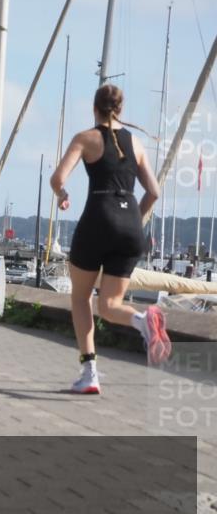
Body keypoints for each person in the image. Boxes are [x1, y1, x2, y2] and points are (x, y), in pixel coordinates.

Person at [50, 84, 170, 395]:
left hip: (98, 218)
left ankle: (90, 372)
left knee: (80, 298)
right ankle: (143, 320)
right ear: (120, 109)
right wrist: (132, 220)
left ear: (95, 107)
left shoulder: (85, 138)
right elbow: (154, 192)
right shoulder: (137, 144)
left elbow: (58, 178)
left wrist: (63, 195)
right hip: (130, 223)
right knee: (111, 305)